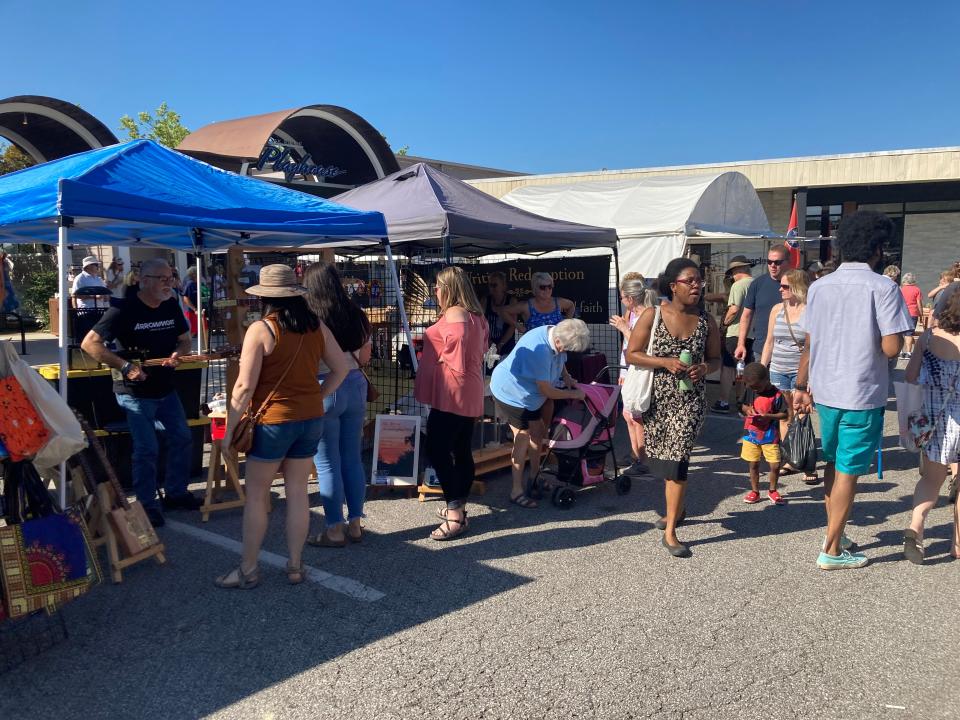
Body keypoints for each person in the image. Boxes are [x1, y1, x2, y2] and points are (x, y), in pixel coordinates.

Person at [794, 210, 914, 570]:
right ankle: (831, 549)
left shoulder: (819, 286)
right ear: (877, 248)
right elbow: (893, 347)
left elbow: (810, 342)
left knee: (834, 464)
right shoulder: (883, 287)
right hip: (862, 390)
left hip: (826, 388)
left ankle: (837, 532)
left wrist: (801, 385)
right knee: (848, 470)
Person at [216, 265, 347, 589]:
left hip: (274, 421)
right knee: (298, 493)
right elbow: (342, 367)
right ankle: (295, 565)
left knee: (258, 495)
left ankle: (248, 569)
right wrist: (318, 394)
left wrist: (228, 432)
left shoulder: (261, 329)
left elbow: (244, 388)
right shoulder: (317, 326)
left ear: (264, 297)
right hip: (310, 418)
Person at [81, 259, 199, 527]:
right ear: (143, 280)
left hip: (166, 388)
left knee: (182, 438)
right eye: (162, 279)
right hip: (134, 392)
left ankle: (176, 493)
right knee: (147, 449)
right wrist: (124, 366)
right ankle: (147, 504)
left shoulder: (170, 304)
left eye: (171, 278)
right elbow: (89, 344)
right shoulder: (122, 309)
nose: (169, 284)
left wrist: (178, 355)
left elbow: (184, 339)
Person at [625, 258, 722, 558]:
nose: (696, 285)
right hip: (657, 400)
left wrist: (704, 367)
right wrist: (665, 362)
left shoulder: (707, 321)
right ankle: (676, 511)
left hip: (690, 402)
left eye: (699, 281)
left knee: (678, 460)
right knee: (666, 463)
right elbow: (633, 354)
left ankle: (670, 533)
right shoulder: (652, 315)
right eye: (689, 280)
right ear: (673, 286)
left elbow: (717, 360)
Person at [414, 266, 489, 540]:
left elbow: (456, 347)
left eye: (437, 286)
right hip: (467, 387)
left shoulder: (456, 315)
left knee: (438, 448)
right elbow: (478, 349)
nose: (434, 291)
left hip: (452, 390)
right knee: (460, 448)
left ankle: (455, 513)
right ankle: (459, 507)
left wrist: (444, 357)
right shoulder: (476, 315)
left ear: (448, 289)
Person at [302, 261, 372, 547]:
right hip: (355, 384)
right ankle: (355, 524)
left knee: (327, 463)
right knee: (352, 457)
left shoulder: (310, 317)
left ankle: (333, 529)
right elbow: (365, 358)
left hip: (324, 385)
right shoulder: (357, 314)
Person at [490, 318, 590, 508]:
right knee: (523, 436)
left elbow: (561, 360)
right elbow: (547, 391)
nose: (566, 353)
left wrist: (567, 378)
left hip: (529, 394)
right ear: (559, 342)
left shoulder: (556, 333)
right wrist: (573, 394)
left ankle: (534, 477)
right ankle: (516, 490)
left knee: (538, 432)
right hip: (510, 393)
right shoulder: (541, 350)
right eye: (566, 348)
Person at [902, 291, 960, 564]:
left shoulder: (927, 339)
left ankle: (916, 527)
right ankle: (957, 543)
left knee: (930, 480)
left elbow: (911, 376)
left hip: (933, 420)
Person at [760, 268, 817, 484]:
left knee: (802, 415)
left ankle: (807, 463)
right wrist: (762, 368)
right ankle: (788, 459)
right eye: (781, 286)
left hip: (800, 370)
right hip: (778, 368)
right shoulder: (777, 309)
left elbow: (814, 346)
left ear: (797, 287)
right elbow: (769, 341)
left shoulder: (810, 310)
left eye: (785, 286)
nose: (780, 289)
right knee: (784, 416)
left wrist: (810, 378)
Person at [610, 272, 654, 470]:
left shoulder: (648, 314)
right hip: (629, 368)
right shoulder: (632, 313)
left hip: (641, 370)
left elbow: (640, 346)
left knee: (636, 415)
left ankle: (642, 459)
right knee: (628, 414)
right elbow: (626, 346)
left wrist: (624, 328)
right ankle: (635, 453)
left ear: (630, 298)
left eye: (622, 297)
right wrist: (623, 372)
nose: (621, 301)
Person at [739, 363, 789, 505]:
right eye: (751, 387)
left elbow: (784, 415)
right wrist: (747, 409)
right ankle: (755, 491)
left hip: (770, 436)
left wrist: (769, 416)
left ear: (767, 380)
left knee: (774, 465)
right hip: (751, 435)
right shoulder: (750, 389)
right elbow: (742, 405)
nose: (754, 389)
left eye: (757, 387)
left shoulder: (777, 394)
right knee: (753, 464)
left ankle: (772, 490)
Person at [734, 245, 792, 366]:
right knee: (759, 383)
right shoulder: (758, 283)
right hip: (761, 349)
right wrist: (741, 344)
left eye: (777, 262)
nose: (772, 265)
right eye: (769, 261)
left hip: (789, 351)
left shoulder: (797, 284)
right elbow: (746, 315)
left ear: (788, 262)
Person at [712, 256, 754, 414]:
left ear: (738, 270)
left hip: (736, 332)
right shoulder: (756, 283)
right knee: (742, 368)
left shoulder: (738, 285)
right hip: (751, 333)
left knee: (728, 368)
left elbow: (734, 309)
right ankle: (740, 400)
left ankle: (723, 401)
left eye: (732, 272)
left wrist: (724, 324)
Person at [503, 272, 576, 330]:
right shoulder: (527, 306)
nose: (547, 290)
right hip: (534, 347)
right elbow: (503, 311)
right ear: (535, 288)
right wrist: (517, 325)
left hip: (557, 347)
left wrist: (565, 324)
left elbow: (571, 305)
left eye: (549, 286)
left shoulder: (558, 302)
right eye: (543, 287)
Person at [483, 270, 516, 359]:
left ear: (503, 286)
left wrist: (500, 345)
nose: (491, 288)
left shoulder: (511, 301)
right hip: (488, 345)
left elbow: (512, 326)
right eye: (490, 285)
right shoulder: (485, 301)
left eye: (495, 285)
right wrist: (489, 342)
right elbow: (481, 324)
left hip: (506, 345)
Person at [900, 272, 923, 358]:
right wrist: (921, 314)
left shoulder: (901, 289)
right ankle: (909, 352)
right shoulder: (917, 290)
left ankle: (901, 352)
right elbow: (919, 303)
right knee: (909, 333)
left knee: (902, 333)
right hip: (913, 313)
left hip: (902, 313)